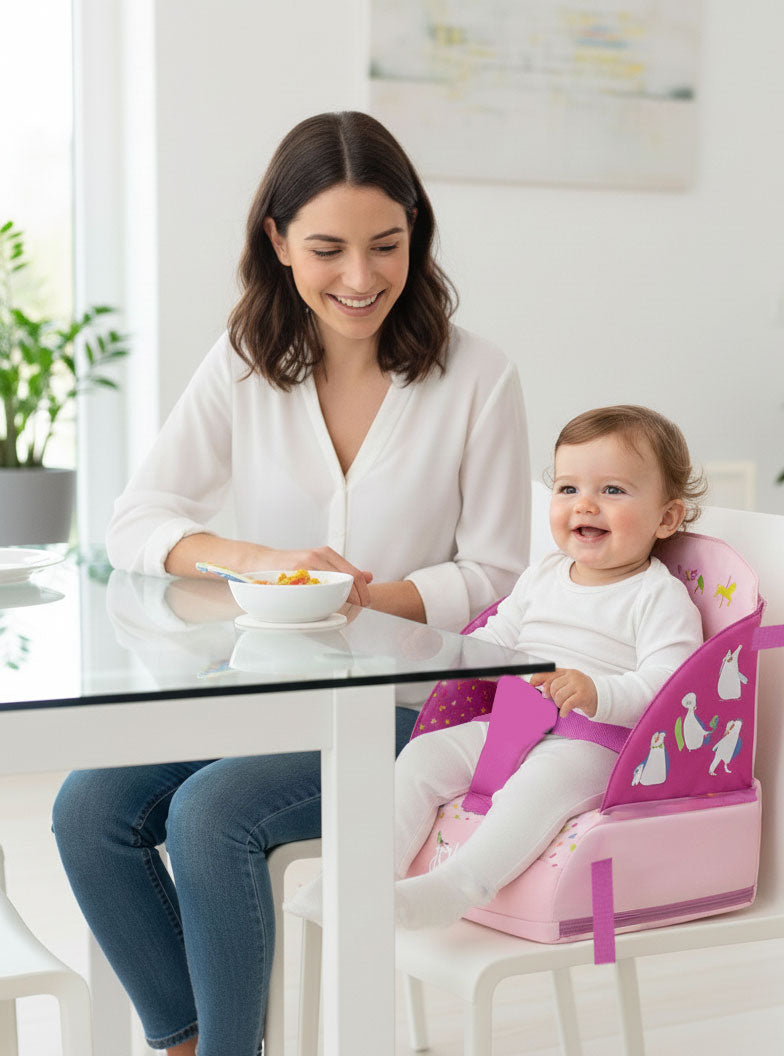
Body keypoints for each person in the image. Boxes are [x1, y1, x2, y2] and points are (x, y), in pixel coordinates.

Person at [51, 111, 530, 1056]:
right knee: (89, 806)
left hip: (412, 711)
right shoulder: (245, 363)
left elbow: (500, 575)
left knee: (211, 814)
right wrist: (257, 562)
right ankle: (190, 1039)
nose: (361, 278)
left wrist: (367, 597)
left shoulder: (479, 376)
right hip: (263, 693)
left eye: (386, 245)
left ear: (416, 234)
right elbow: (137, 521)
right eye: (328, 249)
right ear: (277, 242)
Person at [287, 404, 706, 931]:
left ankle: (456, 887)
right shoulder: (544, 575)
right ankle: (366, 875)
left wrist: (597, 691)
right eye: (569, 489)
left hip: (596, 741)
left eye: (613, 491)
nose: (586, 506)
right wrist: (445, 653)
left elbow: (670, 685)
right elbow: (498, 640)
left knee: (536, 787)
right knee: (421, 756)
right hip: (514, 721)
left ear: (667, 517)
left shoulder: (658, 596)